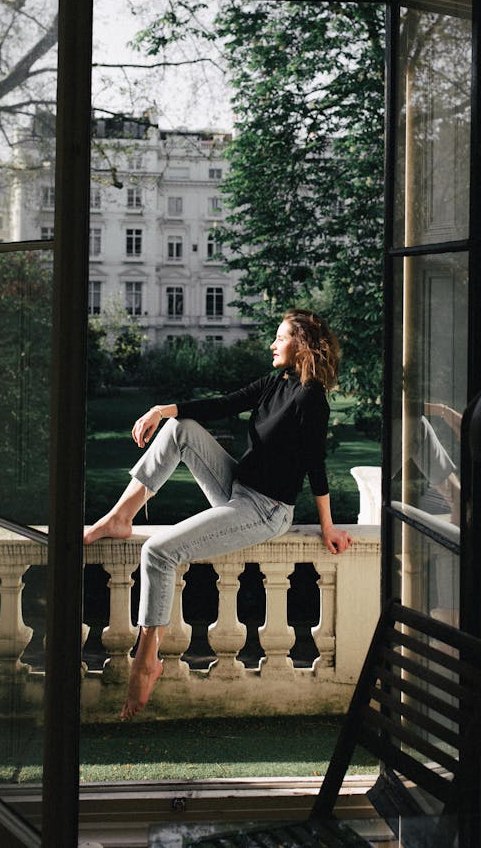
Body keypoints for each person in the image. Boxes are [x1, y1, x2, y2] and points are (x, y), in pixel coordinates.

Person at [84, 308, 353, 720]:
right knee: (180, 429)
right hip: (236, 486)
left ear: (300, 344)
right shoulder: (275, 383)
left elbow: (315, 465)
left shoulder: (311, 398)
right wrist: (161, 409)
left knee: (158, 551)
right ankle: (122, 516)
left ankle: (146, 656)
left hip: (266, 509)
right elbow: (223, 404)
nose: (272, 344)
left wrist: (328, 526)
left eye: (279, 338)